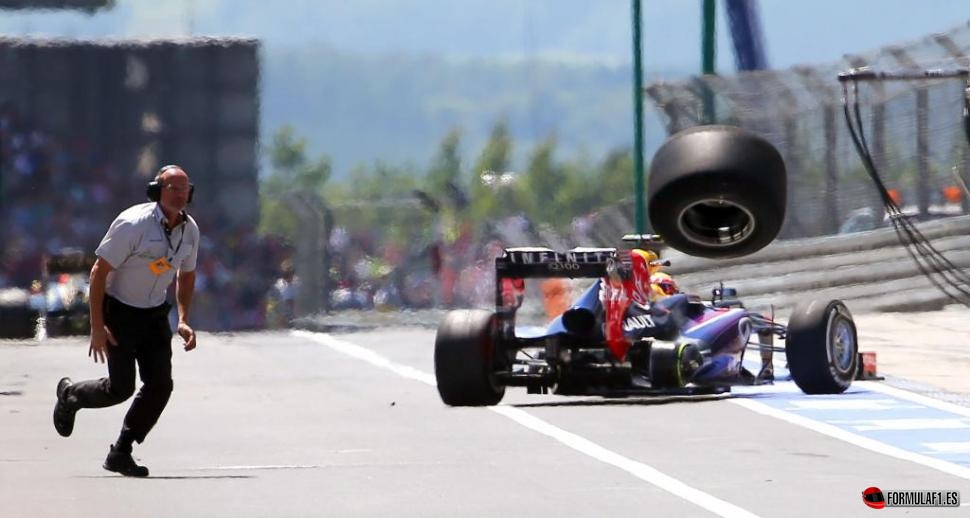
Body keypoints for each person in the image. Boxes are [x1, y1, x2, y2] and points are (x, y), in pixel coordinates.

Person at [52, 164, 200, 477]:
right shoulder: (134, 224)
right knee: (120, 388)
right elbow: (98, 272)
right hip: (118, 311)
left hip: (154, 313)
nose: (179, 194)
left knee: (161, 385)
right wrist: (96, 326)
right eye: (172, 187)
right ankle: (71, 395)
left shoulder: (190, 231)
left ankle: (122, 450)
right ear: (156, 191)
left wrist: (183, 318)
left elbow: (186, 276)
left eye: (184, 188)